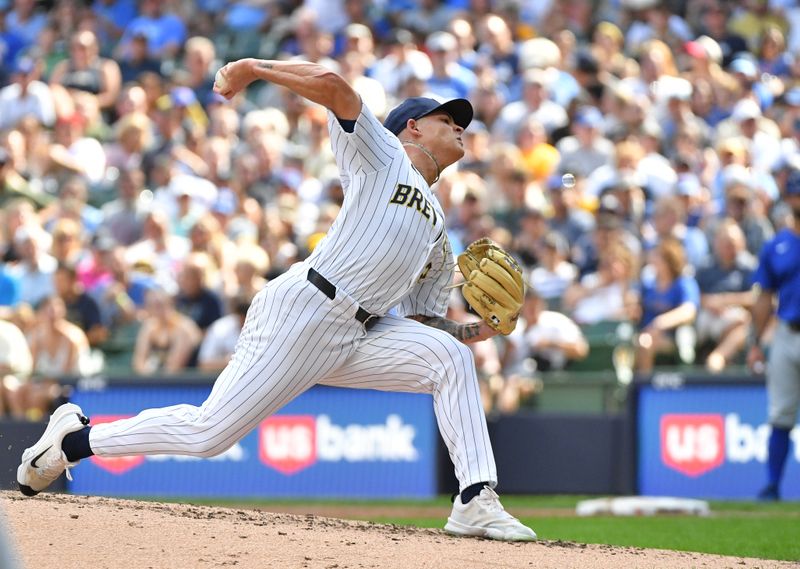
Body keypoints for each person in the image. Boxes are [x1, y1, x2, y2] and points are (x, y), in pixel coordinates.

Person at [17, 57, 536, 541]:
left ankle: (474, 497)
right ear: (413, 127)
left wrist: (479, 329)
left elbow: (424, 322)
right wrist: (250, 68)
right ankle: (72, 441)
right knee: (208, 435)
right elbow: (334, 86)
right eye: (446, 117)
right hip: (307, 309)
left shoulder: (439, 232)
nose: (458, 124)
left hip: (358, 333)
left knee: (451, 357)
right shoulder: (383, 155)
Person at [747, 165, 800, 501]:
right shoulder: (777, 245)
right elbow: (764, 297)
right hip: (785, 330)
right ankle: (771, 487)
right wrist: (755, 341)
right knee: (780, 413)